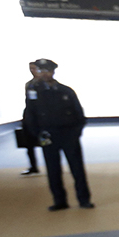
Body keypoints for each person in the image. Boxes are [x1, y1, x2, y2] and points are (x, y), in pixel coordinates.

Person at [22, 59, 94, 211]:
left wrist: (75, 133)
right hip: (47, 135)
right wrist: (37, 134)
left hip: (68, 134)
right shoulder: (34, 92)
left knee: (77, 168)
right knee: (53, 169)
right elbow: (30, 115)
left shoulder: (65, 90)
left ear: (53, 71)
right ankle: (59, 201)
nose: (44, 74)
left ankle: (84, 199)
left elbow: (79, 115)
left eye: (47, 70)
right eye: (41, 71)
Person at [20, 61, 44, 176]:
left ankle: (52, 165)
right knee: (28, 143)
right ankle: (33, 166)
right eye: (31, 68)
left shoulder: (46, 84)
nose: (32, 71)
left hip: (42, 118)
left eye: (35, 68)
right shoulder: (29, 84)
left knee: (46, 143)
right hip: (29, 117)